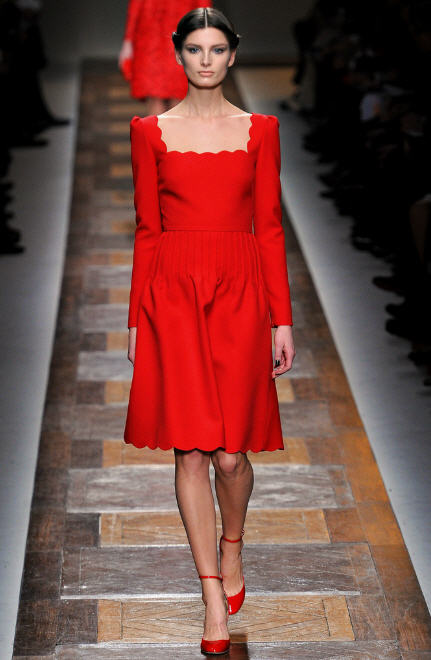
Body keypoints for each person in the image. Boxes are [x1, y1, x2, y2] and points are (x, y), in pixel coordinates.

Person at [123, 7, 295, 655]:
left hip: (240, 293)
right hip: (173, 295)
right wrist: (136, 317)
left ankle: (233, 545)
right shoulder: (149, 132)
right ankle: (211, 599)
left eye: (216, 49)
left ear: (232, 55)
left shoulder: (260, 130)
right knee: (191, 451)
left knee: (230, 456)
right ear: (178, 55)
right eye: (194, 49)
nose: (205, 60)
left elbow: (269, 227)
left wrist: (281, 318)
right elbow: (147, 229)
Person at [118, 0, 212, 115]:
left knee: (156, 98)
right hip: (179, 37)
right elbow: (204, 10)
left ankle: (159, 127)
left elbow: (136, 6)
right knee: (178, 99)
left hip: (150, 39)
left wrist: (128, 40)